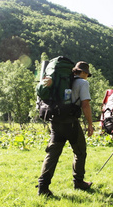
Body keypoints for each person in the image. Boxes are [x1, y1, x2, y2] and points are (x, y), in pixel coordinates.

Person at [37, 61, 94, 197]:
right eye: (87, 74)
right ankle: (79, 182)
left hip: (55, 121)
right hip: (70, 123)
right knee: (80, 152)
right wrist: (90, 124)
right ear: (84, 73)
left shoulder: (62, 80)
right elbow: (85, 104)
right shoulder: (83, 83)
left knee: (52, 154)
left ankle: (43, 187)